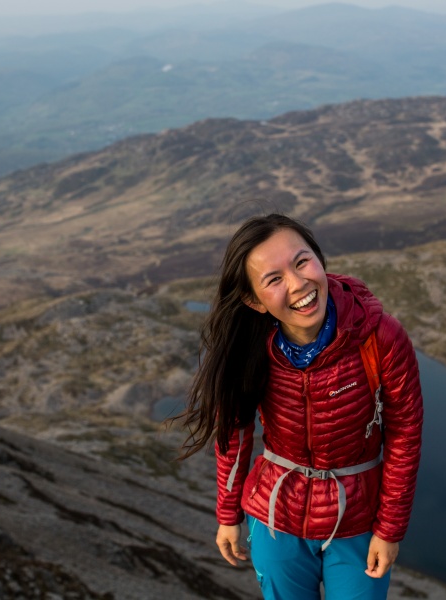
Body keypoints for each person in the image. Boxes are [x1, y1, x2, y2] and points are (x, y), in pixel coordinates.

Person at [177, 213, 423, 600]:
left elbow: (404, 435)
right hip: (276, 517)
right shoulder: (250, 348)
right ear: (253, 301)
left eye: (302, 261)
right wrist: (228, 515)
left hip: (356, 520)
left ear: (319, 259)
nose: (298, 284)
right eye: (274, 279)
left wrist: (390, 529)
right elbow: (235, 433)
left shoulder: (380, 337)